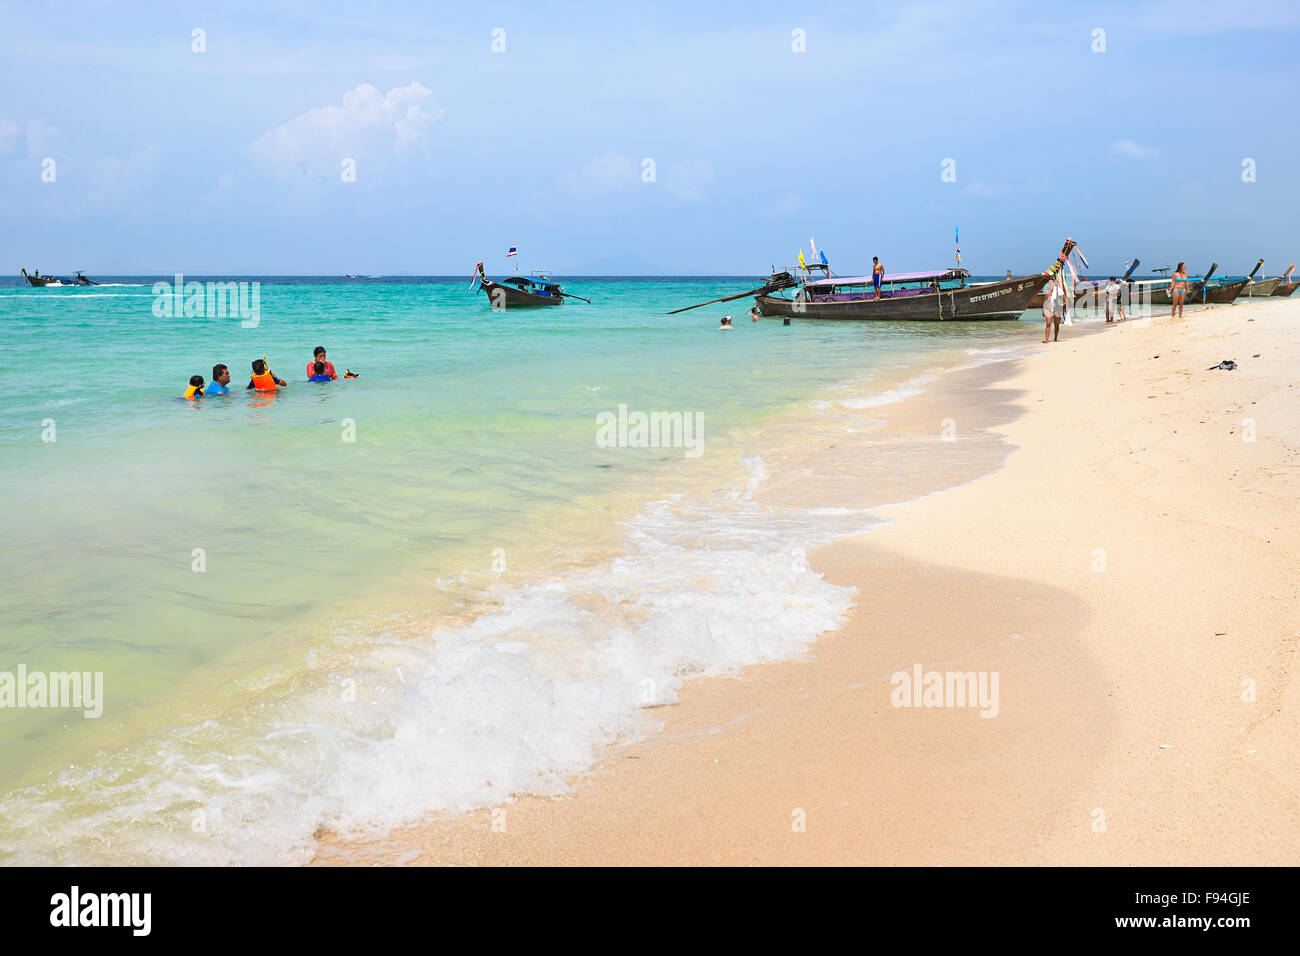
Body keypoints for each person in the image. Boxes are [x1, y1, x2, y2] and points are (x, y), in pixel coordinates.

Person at [1042, 275, 1064, 343]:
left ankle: (1055, 338)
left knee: (1056, 325)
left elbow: (1062, 299)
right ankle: (1046, 339)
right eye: (1049, 283)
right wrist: (1043, 310)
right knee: (1048, 324)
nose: (1050, 284)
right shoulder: (1047, 291)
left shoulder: (1058, 290)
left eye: (1051, 283)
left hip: (1057, 309)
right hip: (1048, 309)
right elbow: (1045, 301)